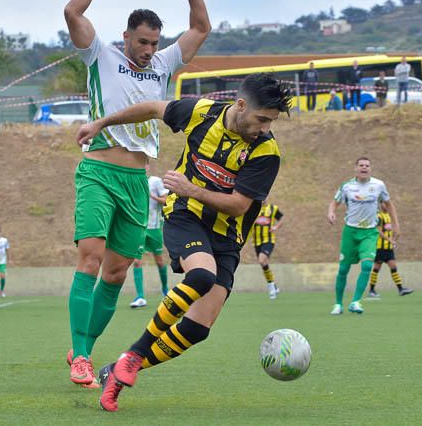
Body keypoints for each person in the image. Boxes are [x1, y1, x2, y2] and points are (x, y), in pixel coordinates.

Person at [74, 73, 290, 412]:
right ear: (241, 105)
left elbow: (238, 206)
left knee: (197, 328)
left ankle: (116, 372)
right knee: (201, 276)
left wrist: (191, 187)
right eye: (262, 119)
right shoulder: (201, 113)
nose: (264, 127)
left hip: (227, 235)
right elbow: (150, 108)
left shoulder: (266, 151)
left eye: (270, 122)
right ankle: (134, 353)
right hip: (185, 215)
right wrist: (102, 122)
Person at [63, 0, 210, 388]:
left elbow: (201, 27)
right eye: (142, 42)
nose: (148, 50)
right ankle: (83, 358)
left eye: (153, 43)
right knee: (90, 257)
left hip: (136, 183)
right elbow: (73, 13)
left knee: (116, 273)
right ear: (126, 36)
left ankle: (81, 348)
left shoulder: (163, 64)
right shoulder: (100, 54)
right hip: (98, 171)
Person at [327, 157, 401, 315]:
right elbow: (335, 202)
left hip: (369, 232)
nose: (364, 168)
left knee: (367, 265)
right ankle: (338, 304)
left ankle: (355, 301)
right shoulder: (347, 186)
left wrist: (396, 224)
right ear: (356, 168)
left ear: (370, 168)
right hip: (350, 232)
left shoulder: (378, 185)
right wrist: (331, 212)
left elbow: (389, 204)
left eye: (367, 165)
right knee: (343, 269)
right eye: (361, 165)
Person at [129, 165, 170, 308]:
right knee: (136, 261)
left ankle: (165, 290)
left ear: (147, 166)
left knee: (159, 260)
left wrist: (151, 196)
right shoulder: (132, 181)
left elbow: (166, 200)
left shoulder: (155, 181)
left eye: (144, 164)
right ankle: (140, 297)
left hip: (154, 227)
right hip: (139, 228)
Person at [368, 203, 413, 298]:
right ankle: (371, 290)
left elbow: (388, 231)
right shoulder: (379, 216)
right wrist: (390, 240)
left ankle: (400, 289)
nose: (386, 206)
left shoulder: (388, 216)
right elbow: (379, 232)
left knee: (393, 266)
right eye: (384, 204)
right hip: (380, 247)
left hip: (388, 248)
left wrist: (395, 236)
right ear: (380, 205)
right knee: (376, 268)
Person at [252, 199, 284, 299]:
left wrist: (276, 227)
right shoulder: (254, 209)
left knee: (262, 260)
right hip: (257, 241)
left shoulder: (272, 209)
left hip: (268, 240)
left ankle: (271, 287)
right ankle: (273, 285)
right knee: (264, 264)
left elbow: (282, 218)